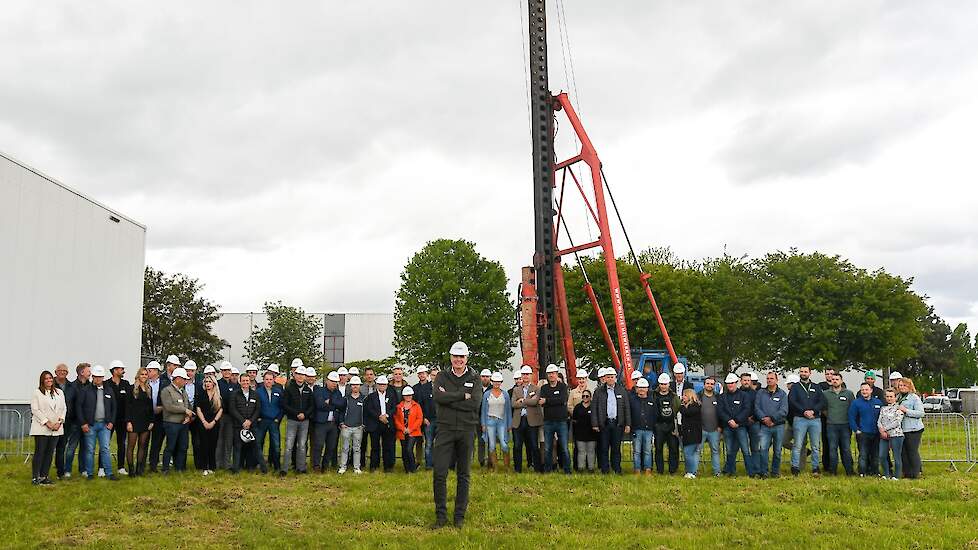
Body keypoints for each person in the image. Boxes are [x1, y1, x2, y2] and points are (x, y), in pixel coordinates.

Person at [431, 341, 481, 530]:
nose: (458, 360)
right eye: (455, 356)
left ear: (466, 358)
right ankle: (441, 517)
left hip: (467, 429)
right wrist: (462, 395)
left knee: (464, 474)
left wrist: (450, 397)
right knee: (439, 473)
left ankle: (459, 517)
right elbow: (438, 398)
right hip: (445, 429)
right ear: (450, 357)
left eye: (462, 356)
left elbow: (474, 403)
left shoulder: (474, 377)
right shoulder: (442, 376)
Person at [76, 365, 119, 480]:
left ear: (103, 377)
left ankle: (109, 473)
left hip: (105, 425)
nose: (98, 379)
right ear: (92, 377)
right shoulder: (85, 390)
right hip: (91, 425)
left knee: (105, 448)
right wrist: (83, 423)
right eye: (96, 377)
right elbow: (79, 407)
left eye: (100, 377)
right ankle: (89, 473)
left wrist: (111, 422)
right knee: (90, 450)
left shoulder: (109, 390)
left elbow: (114, 407)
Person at [591, 367, 631, 475]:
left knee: (616, 448)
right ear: (605, 378)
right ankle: (605, 469)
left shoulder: (622, 390)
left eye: (612, 377)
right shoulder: (598, 391)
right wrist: (595, 423)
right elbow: (594, 408)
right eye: (608, 377)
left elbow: (626, 408)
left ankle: (617, 468)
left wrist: (628, 424)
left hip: (618, 423)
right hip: (604, 423)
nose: (610, 379)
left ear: (615, 378)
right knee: (604, 447)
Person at [788, 366, 825, 476]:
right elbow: (792, 401)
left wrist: (813, 411)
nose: (803, 373)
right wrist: (804, 411)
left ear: (810, 373)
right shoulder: (795, 387)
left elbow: (822, 401)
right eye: (801, 372)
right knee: (797, 445)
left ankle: (815, 467)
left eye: (805, 372)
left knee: (815, 446)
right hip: (800, 419)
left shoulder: (816, 386)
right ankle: (795, 467)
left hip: (815, 419)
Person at [31, 370, 66, 485]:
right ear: (42, 380)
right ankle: (35, 477)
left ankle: (44, 476)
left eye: (50, 378)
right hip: (42, 428)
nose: (49, 380)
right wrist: (48, 423)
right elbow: (35, 410)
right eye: (46, 378)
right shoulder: (37, 393)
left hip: (56, 428)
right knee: (40, 452)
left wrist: (59, 422)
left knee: (50, 453)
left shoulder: (59, 392)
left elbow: (64, 408)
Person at [229, 373, 267, 474]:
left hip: (252, 425)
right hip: (239, 425)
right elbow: (232, 409)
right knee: (237, 447)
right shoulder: (235, 394)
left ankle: (263, 469)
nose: (245, 382)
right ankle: (235, 470)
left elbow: (258, 409)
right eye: (243, 381)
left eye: (247, 381)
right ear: (240, 382)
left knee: (256, 446)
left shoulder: (255, 394)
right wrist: (243, 421)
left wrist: (250, 421)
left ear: (249, 382)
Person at [281, 363, 314, 476]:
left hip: (304, 421)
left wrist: (305, 414)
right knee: (289, 445)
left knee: (302, 445)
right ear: (294, 375)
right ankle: (284, 469)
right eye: (298, 374)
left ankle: (301, 468)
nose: (300, 377)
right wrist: (296, 414)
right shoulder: (289, 389)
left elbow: (312, 406)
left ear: (305, 376)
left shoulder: (308, 390)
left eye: (302, 375)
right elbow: (285, 405)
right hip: (292, 420)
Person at [754, 371, 788, 478]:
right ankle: (764, 471)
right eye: (768, 378)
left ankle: (775, 472)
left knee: (777, 451)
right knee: (763, 449)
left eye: (771, 378)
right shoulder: (760, 393)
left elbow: (784, 410)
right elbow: (757, 408)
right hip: (764, 426)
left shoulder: (782, 394)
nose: (769, 380)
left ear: (777, 380)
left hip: (778, 426)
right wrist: (764, 418)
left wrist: (772, 419)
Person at [160, 367, 194, 473]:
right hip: (171, 423)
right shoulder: (166, 391)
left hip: (183, 423)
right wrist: (185, 410)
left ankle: (180, 468)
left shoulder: (183, 391)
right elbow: (169, 406)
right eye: (184, 379)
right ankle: (165, 468)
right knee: (170, 446)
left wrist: (189, 416)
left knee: (183, 446)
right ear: (178, 379)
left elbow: (188, 404)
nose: (186, 381)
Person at [538, 364, 571, 474]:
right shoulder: (544, 388)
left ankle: (567, 470)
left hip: (561, 421)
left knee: (564, 448)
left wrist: (548, 401)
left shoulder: (563, 387)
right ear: (547, 375)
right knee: (547, 448)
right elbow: (542, 402)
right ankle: (548, 470)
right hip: (548, 422)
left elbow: (562, 400)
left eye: (553, 373)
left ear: (557, 374)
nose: (551, 375)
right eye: (549, 374)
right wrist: (553, 401)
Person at [718, 373, 752, 477]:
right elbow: (720, 410)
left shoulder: (744, 396)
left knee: (745, 449)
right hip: (728, 427)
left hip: (740, 426)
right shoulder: (722, 397)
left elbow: (746, 409)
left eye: (732, 383)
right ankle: (730, 471)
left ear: (736, 383)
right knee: (729, 450)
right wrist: (729, 420)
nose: (730, 385)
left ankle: (750, 472)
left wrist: (736, 421)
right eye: (728, 383)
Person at [510, 365, 543, 473]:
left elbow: (535, 402)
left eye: (527, 374)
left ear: (531, 375)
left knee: (534, 445)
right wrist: (528, 401)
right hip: (518, 421)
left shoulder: (536, 388)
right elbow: (513, 404)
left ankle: (537, 469)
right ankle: (517, 469)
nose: (525, 376)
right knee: (517, 446)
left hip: (532, 421)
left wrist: (522, 400)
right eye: (523, 374)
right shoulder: (516, 389)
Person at [312, 370, 346, 473]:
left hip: (333, 424)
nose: (334, 384)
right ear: (327, 380)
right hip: (321, 423)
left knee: (331, 446)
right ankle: (316, 466)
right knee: (318, 445)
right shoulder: (319, 391)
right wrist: (334, 406)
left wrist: (330, 402)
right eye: (332, 381)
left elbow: (342, 405)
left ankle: (325, 466)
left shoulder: (338, 392)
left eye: (335, 382)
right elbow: (320, 405)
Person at [823, 372, 856, 476]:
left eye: (837, 379)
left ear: (841, 381)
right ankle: (832, 471)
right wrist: (831, 416)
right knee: (832, 449)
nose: (835, 381)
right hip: (831, 425)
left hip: (845, 425)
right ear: (830, 381)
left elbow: (853, 408)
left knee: (846, 449)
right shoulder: (825, 394)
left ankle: (849, 471)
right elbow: (823, 409)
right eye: (833, 379)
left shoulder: (849, 393)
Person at [365, 375, 399, 472]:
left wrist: (387, 415)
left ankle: (388, 467)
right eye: (380, 384)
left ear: (387, 385)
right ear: (377, 385)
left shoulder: (391, 395)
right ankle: (374, 466)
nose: (382, 386)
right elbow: (369, 409)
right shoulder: (371, 397)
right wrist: (379, 416)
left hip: (388, 423)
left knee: (387, 446)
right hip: (375, 424)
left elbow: (394, 407)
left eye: (384, 384)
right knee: (375, 446)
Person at [62, 363, 91, 479]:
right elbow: (70, 404)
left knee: (84, 447)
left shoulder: (90, 386)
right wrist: (78, 420)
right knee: (72, 447)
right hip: (75, 422)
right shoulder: (73, 387)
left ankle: (82, 469)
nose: (90, 373)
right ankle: (67, 470)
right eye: (88, 371)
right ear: (81, 372)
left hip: (87, 422)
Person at [104, 359, 132, 476]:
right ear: (115, 371)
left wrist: (128, 419)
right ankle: (102, 467)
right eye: (121, 369)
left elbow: (128, 403)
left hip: (122, 420)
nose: (123, 371)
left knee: (122, 443)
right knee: (105, 444)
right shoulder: (106, 384)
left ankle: (121, 466)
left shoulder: (126, 384)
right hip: (109, 420)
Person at [125, 367, 155, 476]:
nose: (144, 376)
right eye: (142, 374)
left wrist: (152, 421)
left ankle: (139, 469)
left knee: (142, 445)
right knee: (131, 446)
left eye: (146, 374)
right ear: (138, 375)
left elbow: (151, 406)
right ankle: (131, 470)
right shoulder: (131, 388)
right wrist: (128, 422)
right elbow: (128, 406)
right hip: (133, 421)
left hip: (145, 421)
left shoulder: (148, 388)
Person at [479, 372, 512, 471]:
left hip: (502, 421)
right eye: (495, 381)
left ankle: (507, 467)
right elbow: (484, 410)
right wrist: (483, 424)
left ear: (501, 382)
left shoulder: (505, 394)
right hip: (490, 421)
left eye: (499, 382)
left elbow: (508, 410)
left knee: (504, 444)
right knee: (492, 445)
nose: (496, 383)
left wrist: (509, 424)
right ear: (492, 382)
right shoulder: (487, 394)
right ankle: (495, 467)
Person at [849, 381, 883, 477]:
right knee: (863, 454)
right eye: (862, 389)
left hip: (876, 433)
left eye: (866, 389)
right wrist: (856, 430)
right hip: (863, 433)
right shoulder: (856, 403)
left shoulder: (878, 402)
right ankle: (862, 472)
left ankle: (875, 472)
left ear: (871, 390)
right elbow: (851, 417)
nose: (864, 391)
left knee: (875, 454)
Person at [897, 377, 925, 479]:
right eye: (900, 385)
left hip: (913, 429)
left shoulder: (914, 398)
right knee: (903, 452)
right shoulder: (898, 397)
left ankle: (915, 473)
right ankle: (907, 473)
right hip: (902, 429)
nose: (902, 387)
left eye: (904, 385)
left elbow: (921, 413)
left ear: (909, 386)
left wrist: (906, 411)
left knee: (912, 451)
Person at [653, 372, 680, 475]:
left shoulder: (674, 396)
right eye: (662, 384)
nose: (663, 386)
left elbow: (677, 409)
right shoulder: (654, 395)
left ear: (669, 384)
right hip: (659, 425)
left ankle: (672, 470)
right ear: (659, 384)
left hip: (671, 425)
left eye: (665, 384)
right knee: (658, 448)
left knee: (673, 448)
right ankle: (660, 470)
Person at [256, 371, 284, 472]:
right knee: (259, 443)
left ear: (273, 381)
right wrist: (258, 417)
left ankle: (277, 466)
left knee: (276, 445)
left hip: (274, 421)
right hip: (262, 421)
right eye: (266, 379)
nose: (268, 381)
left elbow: (282, 407)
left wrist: (278, 418)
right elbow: (256, 407)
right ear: (263, 380)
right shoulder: (258, 392)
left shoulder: (278, 391)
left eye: (270, 379)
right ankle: (260, 464)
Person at [195, 375, 222, 475]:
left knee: (212, 445)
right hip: (203, 423)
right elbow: (198, 409)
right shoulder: (201, 394)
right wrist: (204, 422)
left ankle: (212, 467)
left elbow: (221, 410)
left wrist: (213, 422)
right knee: (203, 445)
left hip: (214, 423)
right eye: (206, 382)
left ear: (214, 383)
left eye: (209, 382)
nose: (207, 383)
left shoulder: (218, 396)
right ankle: (204, 467)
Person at [629, 377, 656, 475]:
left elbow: (655, 415)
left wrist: (653, 427)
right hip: (636, 429)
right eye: (640, 387)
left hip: (649, 430)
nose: (641, 390)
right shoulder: (632, 400)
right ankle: (637, 469)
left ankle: (648, 469)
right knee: (636, 451)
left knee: (648, 451)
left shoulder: (652, 401)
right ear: (636, 389)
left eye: (643, 388)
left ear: (647, 389)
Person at [339, 376, 365, 474]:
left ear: (360, 386)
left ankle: (356, 468)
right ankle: (343, 467)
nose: (355, 386)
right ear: (350, 386)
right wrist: (341, 423)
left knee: (357, 448)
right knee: (345, 448)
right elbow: (341, 411)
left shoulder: (364, 399)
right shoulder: (345, 398)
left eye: (357, 385)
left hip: (358, 427)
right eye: (353, 385)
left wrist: (363, 424)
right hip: (346, 427)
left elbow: (366, 413)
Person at [394, 385, 423, 473]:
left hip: (413, 432)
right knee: (404, 450)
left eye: (410, 395)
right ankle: (407, 468)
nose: (408, 397)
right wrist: (402, 428)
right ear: (403, 396)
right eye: (406, 395)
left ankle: (413, 467)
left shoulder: (416, 406)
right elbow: (396, 419)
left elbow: (419, 419)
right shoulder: (399, 407)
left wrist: (411, 429)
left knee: (409, 449)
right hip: (402, 432)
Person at [877, 388, 906, 480]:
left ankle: (896, 476)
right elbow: (879, 420)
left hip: (896, 435)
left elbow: (897, 422)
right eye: (887, 396)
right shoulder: (883, 408)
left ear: (895, 397)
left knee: (896, 456)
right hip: (884, 435)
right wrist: (881, 430)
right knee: (882, 455)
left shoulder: (899, 408)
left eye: (891, 396)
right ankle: (886, 474)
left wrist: (885, 429)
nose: (889, 398)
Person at [698, 376, 722, 477]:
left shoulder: (718, 397)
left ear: (714, 385)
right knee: (697, 451)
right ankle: (694, 471)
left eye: (712, 384)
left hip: (714, 429)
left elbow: (721, 412)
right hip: (701, 429)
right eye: (708, 383)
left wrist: (720, 426)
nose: (710, 385)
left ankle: (717, 472)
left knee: (715, 451)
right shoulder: (698, 396)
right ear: (704, 385)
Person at [413, 366, 436, 470]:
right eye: (420, 373)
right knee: (422, 442)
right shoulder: (415, 388)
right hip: (423, 419)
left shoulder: (434, 387)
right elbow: (418, 405)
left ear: (427, 374)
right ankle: (423, 463)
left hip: (436, 419)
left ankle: (434, 463)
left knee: (435, 442)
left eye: (424, 373)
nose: (422, 375)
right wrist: (423, 418)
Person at [215, 361, 237, 471]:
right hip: (220, 415)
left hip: (231, 417)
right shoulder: (217, 384)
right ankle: (217, 463)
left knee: (229, 440)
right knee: (219, 440)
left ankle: (227, 464)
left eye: (228, 370)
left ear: (231, 371)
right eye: (224, 370)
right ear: (221, 372)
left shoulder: (235, 385)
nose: (226, 372)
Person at [739, 372, 761, 477]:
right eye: (744, 380)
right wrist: (743, 418)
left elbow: (759, 407)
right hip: (742, 424)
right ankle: (750, 470)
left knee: (755, 447)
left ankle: (757, 469)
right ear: (741, 381)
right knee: (744, 448)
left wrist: (754, 418)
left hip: (754, 422)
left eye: (748, 380)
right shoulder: (737, 393)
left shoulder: (755, 393)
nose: (746, 382)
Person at [571, 388, 597, 472]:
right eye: (583, 396)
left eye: (587, 396)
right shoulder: (577, 407)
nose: (585, 397)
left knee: (591, 451)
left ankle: (591, 468)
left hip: (591, 433)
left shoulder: (593, 406)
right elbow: (574, 420)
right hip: (580, 433)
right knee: (581, 451)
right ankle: (581, 468)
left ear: (590, 397)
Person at [679, 388, 703, 479]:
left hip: (693, 434)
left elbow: (686, 412)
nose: (683, 397)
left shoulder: (695, 406)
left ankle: (691, 472)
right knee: (690, 453)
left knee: (688, 453)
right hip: (688, 433)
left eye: (685, 395)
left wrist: (681, 406)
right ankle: (690, 471)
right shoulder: (690, 406)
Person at [475, 368, 492, 468]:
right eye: (483, 377)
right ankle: (481, 460)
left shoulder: (493, 389)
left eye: (487, 377)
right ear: (480, 377)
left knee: (491, 440)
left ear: (490, 378)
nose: (485, 378)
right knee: (481, 440)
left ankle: (490, 461)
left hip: (490, 419)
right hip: (478, 418)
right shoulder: (476, 389)